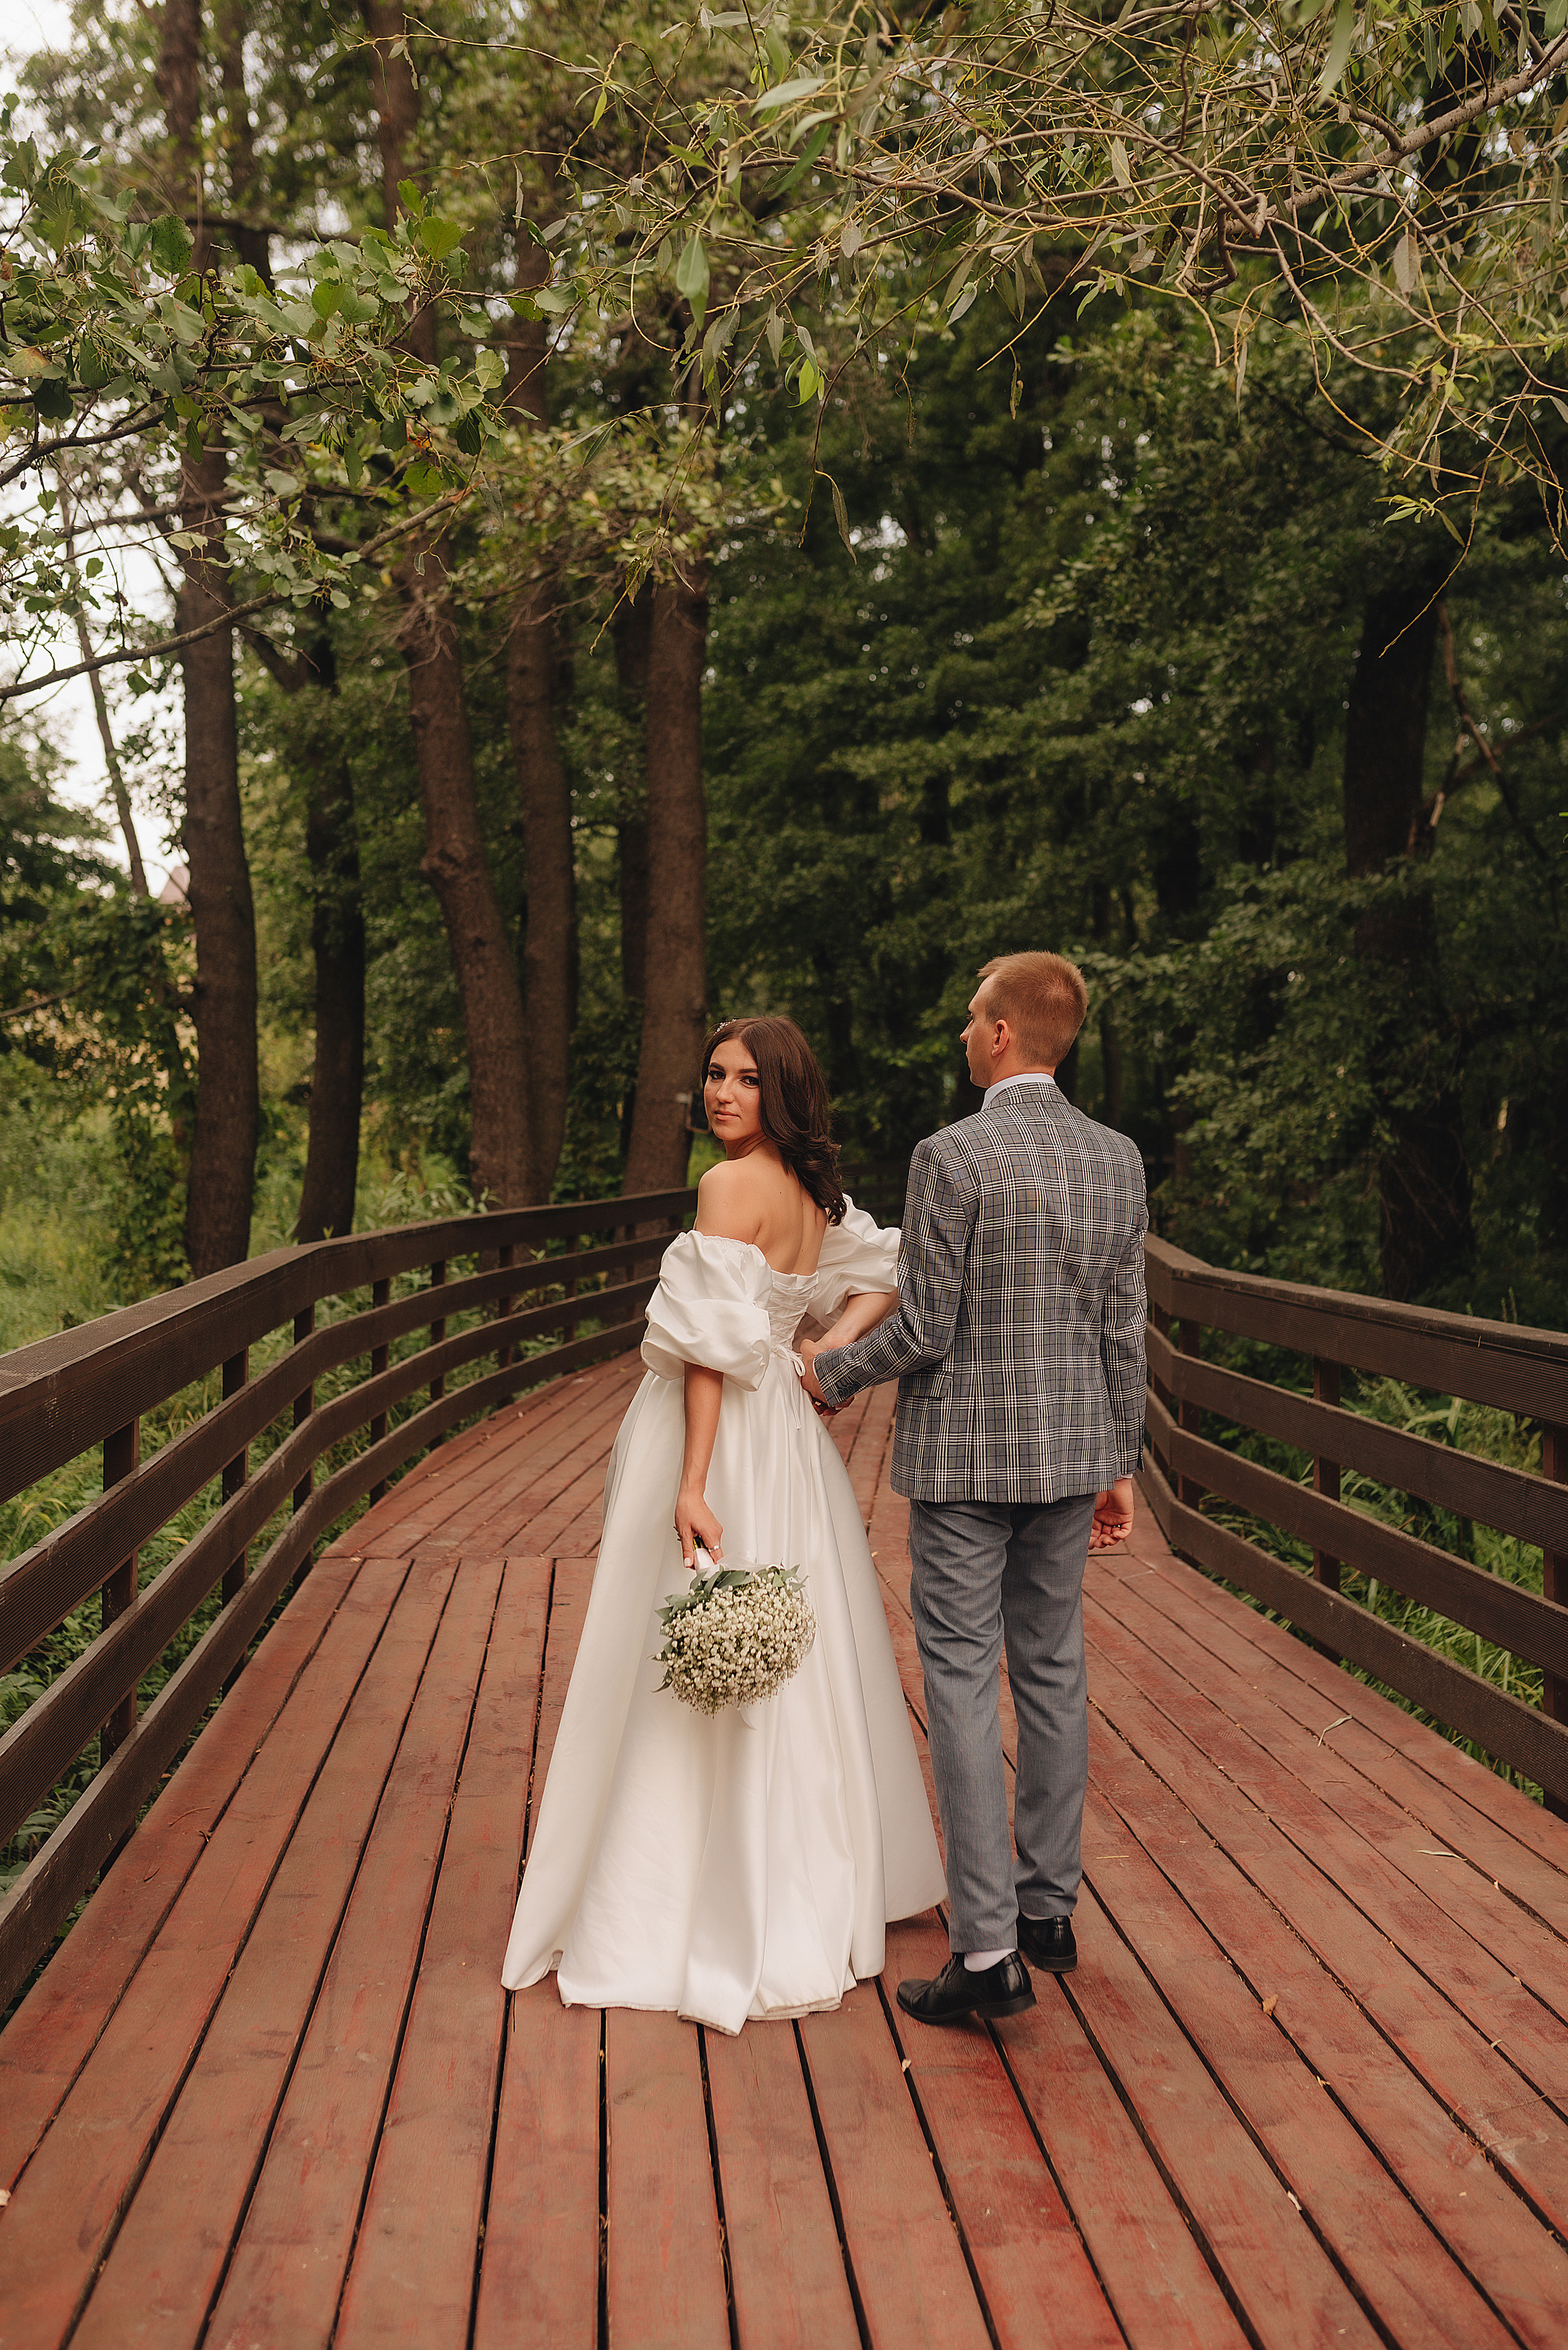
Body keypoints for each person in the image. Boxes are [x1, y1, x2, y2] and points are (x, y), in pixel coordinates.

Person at [501, 1016, 946, 2032]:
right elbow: (885, 1270)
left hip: (722, 1433)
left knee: (678, 1625)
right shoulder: (811, 1195)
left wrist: (694, 1477)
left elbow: (705, 1349)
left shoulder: (727, 1184)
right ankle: (798, 1877)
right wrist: (818, 1348)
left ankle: (677, 1892)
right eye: (713, 1074)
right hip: (788, 1432)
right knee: (793, 1644)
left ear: (782, 1091)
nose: (723, 1093)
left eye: (747, 1079)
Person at [800, 952, 1147, 2027]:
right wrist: (1120, 1460)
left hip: (963, 1463)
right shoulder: (1117, 1158)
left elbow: (926, 1326)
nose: (961, 1032)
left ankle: (987, 1949)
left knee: (958, 1679)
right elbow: (1123, 1325)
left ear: (1001, 1034)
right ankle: (1048, 1912)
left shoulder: (952, 1155)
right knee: (1050, 1669)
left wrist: (830, 1371)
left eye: (968, 1018)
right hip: (1071, 1452)